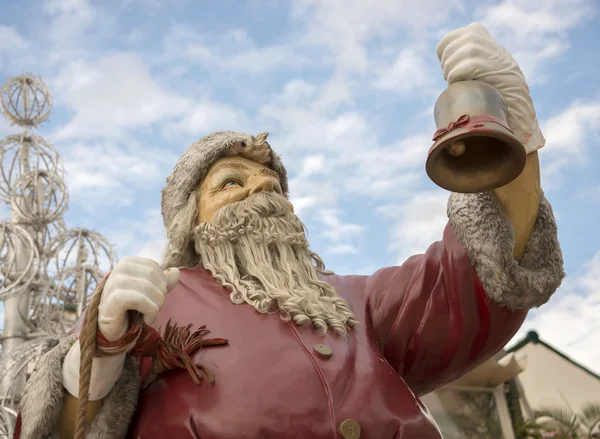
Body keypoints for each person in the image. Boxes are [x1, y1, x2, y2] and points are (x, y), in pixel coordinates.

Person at [15, 23, 564, 439]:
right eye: (231, 182)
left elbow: (479, 276)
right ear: (190, 222)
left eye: (270, 182)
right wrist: (105, 346)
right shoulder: (156, 301)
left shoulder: (358, 301)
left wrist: (512, 131)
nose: (259, 189)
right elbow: (56, 427)